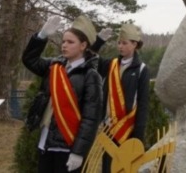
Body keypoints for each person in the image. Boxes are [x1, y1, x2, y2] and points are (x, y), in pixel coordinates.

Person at [22, 14, 103, 173]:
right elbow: (29, 60)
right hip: (46, 141)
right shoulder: (54, 66)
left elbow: (91, 118)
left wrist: (79, 152)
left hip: (68, 146)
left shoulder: (91, 76)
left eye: (70, 42)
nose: (64, 45)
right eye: (64, 41)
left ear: (83, 45)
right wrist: (41, 36)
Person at [89, 23, 151, 172]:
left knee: (124, 168)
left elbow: (143, 103)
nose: (120, 46)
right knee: (107, 167)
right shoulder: (111, 64)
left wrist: (138, 136)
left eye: (124, 43)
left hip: (128, 128)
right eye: (119, 43)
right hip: (109, 127)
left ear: (134, 44)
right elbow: (89, 58)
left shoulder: (142, 69)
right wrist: (99, 41)